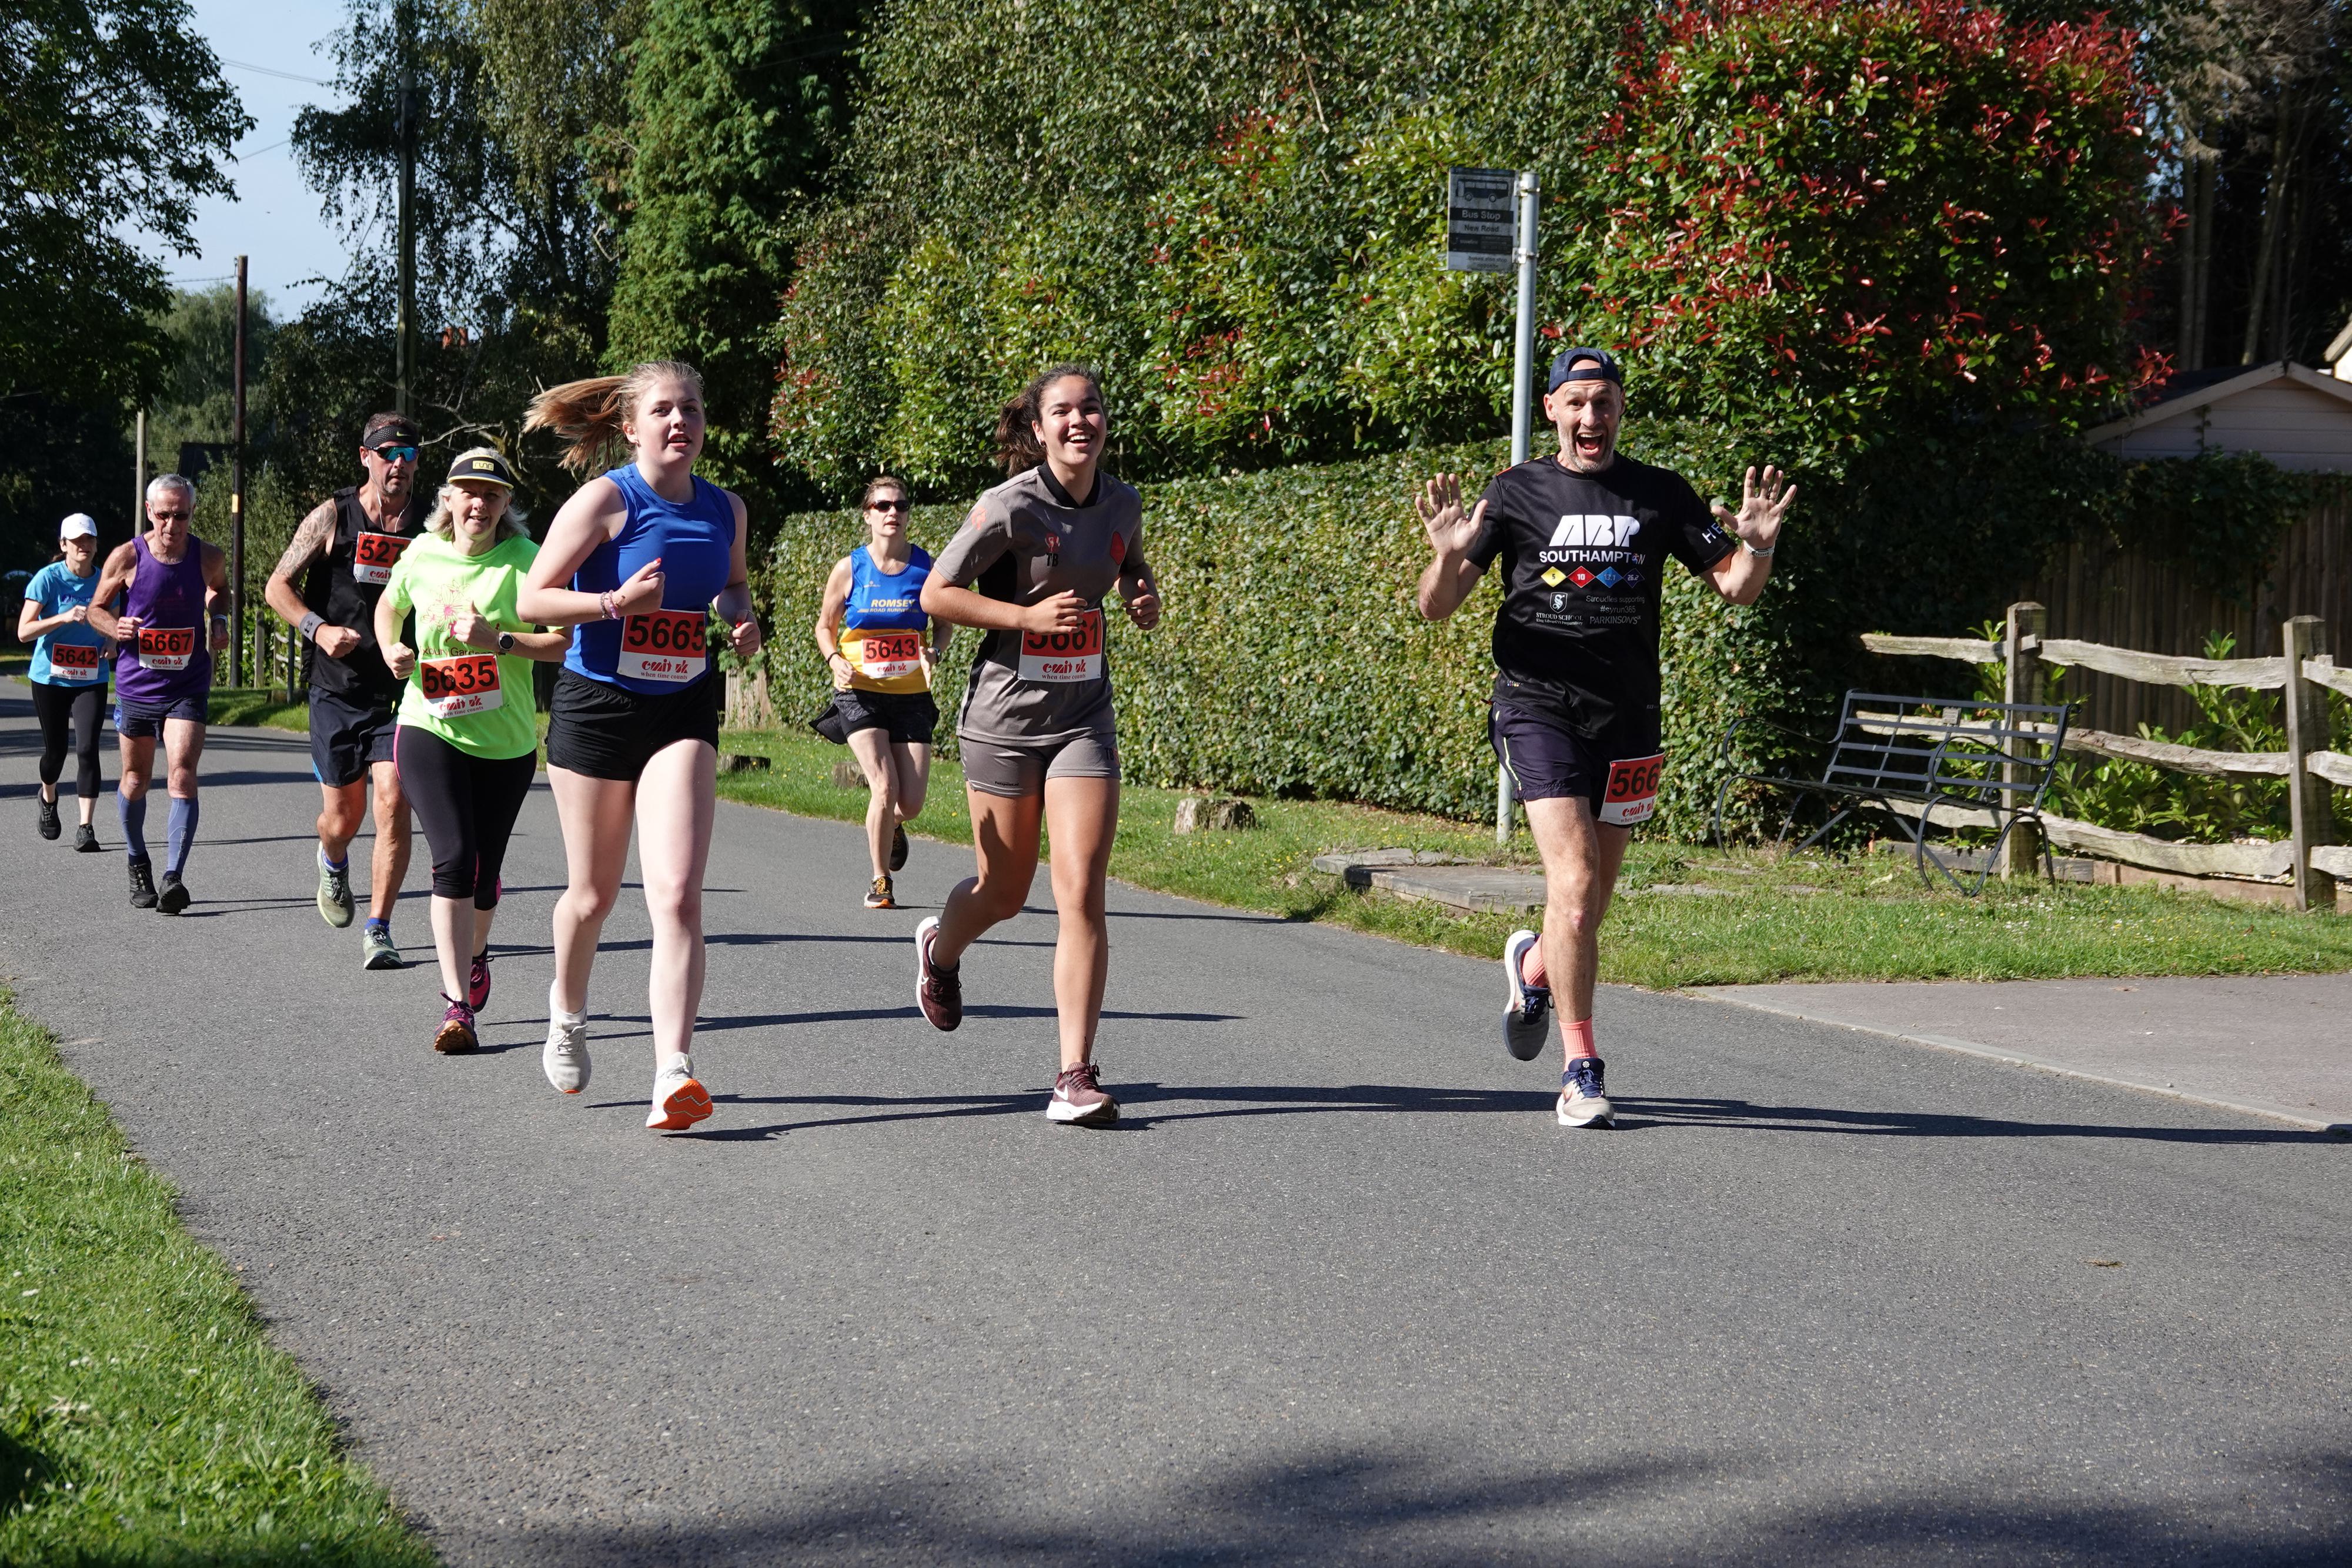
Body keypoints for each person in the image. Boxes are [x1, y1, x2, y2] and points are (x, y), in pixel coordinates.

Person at [1413, 346, 1793, 1128]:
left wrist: (1757, 543)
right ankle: (1581, 1068)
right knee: (1577, 881)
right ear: (1551, 408)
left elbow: (1736, 588)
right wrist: (1445, 557)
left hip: (1629, 720)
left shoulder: (1659, 493)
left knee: (1586, 905)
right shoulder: (1515, 493)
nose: (1592, 417)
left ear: (1622, 409)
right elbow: (1437, 606)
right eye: (1577, 401)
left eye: (1606, 401)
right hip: (1537, 707)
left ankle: (1532, 963)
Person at [913, 365, 1161, 1127]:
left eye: (1091, 409)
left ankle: (1073, 1073)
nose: (1079, 421)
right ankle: (940, 954)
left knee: (1080, 885)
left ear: (1105, 421)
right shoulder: (1008, 505)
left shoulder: (1123, 500)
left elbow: (1125, 559)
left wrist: (1139, 591)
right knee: (1005, 890)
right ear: (1040, 425)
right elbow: (937, 593)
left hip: (1084, 714)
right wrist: (1023, 620)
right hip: (1003, 722)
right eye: (1063, 411)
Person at [517, 361, 762, 1130]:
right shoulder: (605, 499)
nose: (678, 421)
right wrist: (614, 602)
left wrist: (742, 615)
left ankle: (673, 1071)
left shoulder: (727, 508)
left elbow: (731, 584)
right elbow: (531, 597)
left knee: (679, 894)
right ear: (632, 425)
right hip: (596, 706)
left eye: (690, 408)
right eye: (662, 409)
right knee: (592, 895)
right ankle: (566, 1012)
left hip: (683, 705)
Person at [376, 448, 569, 1055]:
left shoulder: (529, 563)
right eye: (468, 491)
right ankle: (457, 1007)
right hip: (429, 724)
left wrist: (500, 639)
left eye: (491, 494)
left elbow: (562, 644)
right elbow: (390, 605)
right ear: (449, 500)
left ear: (506, 504)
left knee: (484, 877)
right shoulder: (423, 555)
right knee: (453, 861)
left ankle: (478, 949)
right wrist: (390, 648)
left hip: (506, 742)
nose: (479, 503)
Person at [266, 411, 423, 969]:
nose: (398, 464)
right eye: (388, 454)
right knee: (343, 817)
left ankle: (379, 927)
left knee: (393, 800)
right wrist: (318, 628)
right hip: (335, 688)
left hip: (400, 690)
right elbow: (276, 585)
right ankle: (333, 863)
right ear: (366, 458)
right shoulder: (334, 515)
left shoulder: (430, 526)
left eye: (408, 454)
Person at [88, 475, 231, 914]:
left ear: (191, 513)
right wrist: (117, 626)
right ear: (150, 512)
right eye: (164, 514)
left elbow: (220, 590)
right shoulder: (127, 556)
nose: (172, 524)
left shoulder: (207, 555)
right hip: (137, 683)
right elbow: (95, 608)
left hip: (187, 683)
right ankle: (138, 861)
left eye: (181, 514)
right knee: (135, 779)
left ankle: (173, 877)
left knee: (182, 773)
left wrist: (219, 618)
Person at [813, 475, 947, 910]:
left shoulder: (928, 568)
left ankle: (892, 826)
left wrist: (936, 651)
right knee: (884, 786)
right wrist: (835, 659)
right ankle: (880, 880)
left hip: (911, 694)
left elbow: (945, 621)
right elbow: (824, 626)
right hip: (860, 692)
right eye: (884, 505)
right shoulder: (850, 568)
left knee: (910, 802)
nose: (893, 512)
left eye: (901, 505)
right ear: (868, 514)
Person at [18, 513, 112, 851]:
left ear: (96, 545)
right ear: (64, 546)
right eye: (76, 541)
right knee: (55, 753)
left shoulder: (105, 582)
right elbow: (24, 632)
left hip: (91, 677)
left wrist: (112, 642)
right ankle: (48, 796)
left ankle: (86, 827)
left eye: (89, 540)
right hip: (50, 678)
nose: (83, 546)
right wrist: (61, 617)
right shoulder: (47, 579)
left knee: (87, 749)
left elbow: (114, 622)